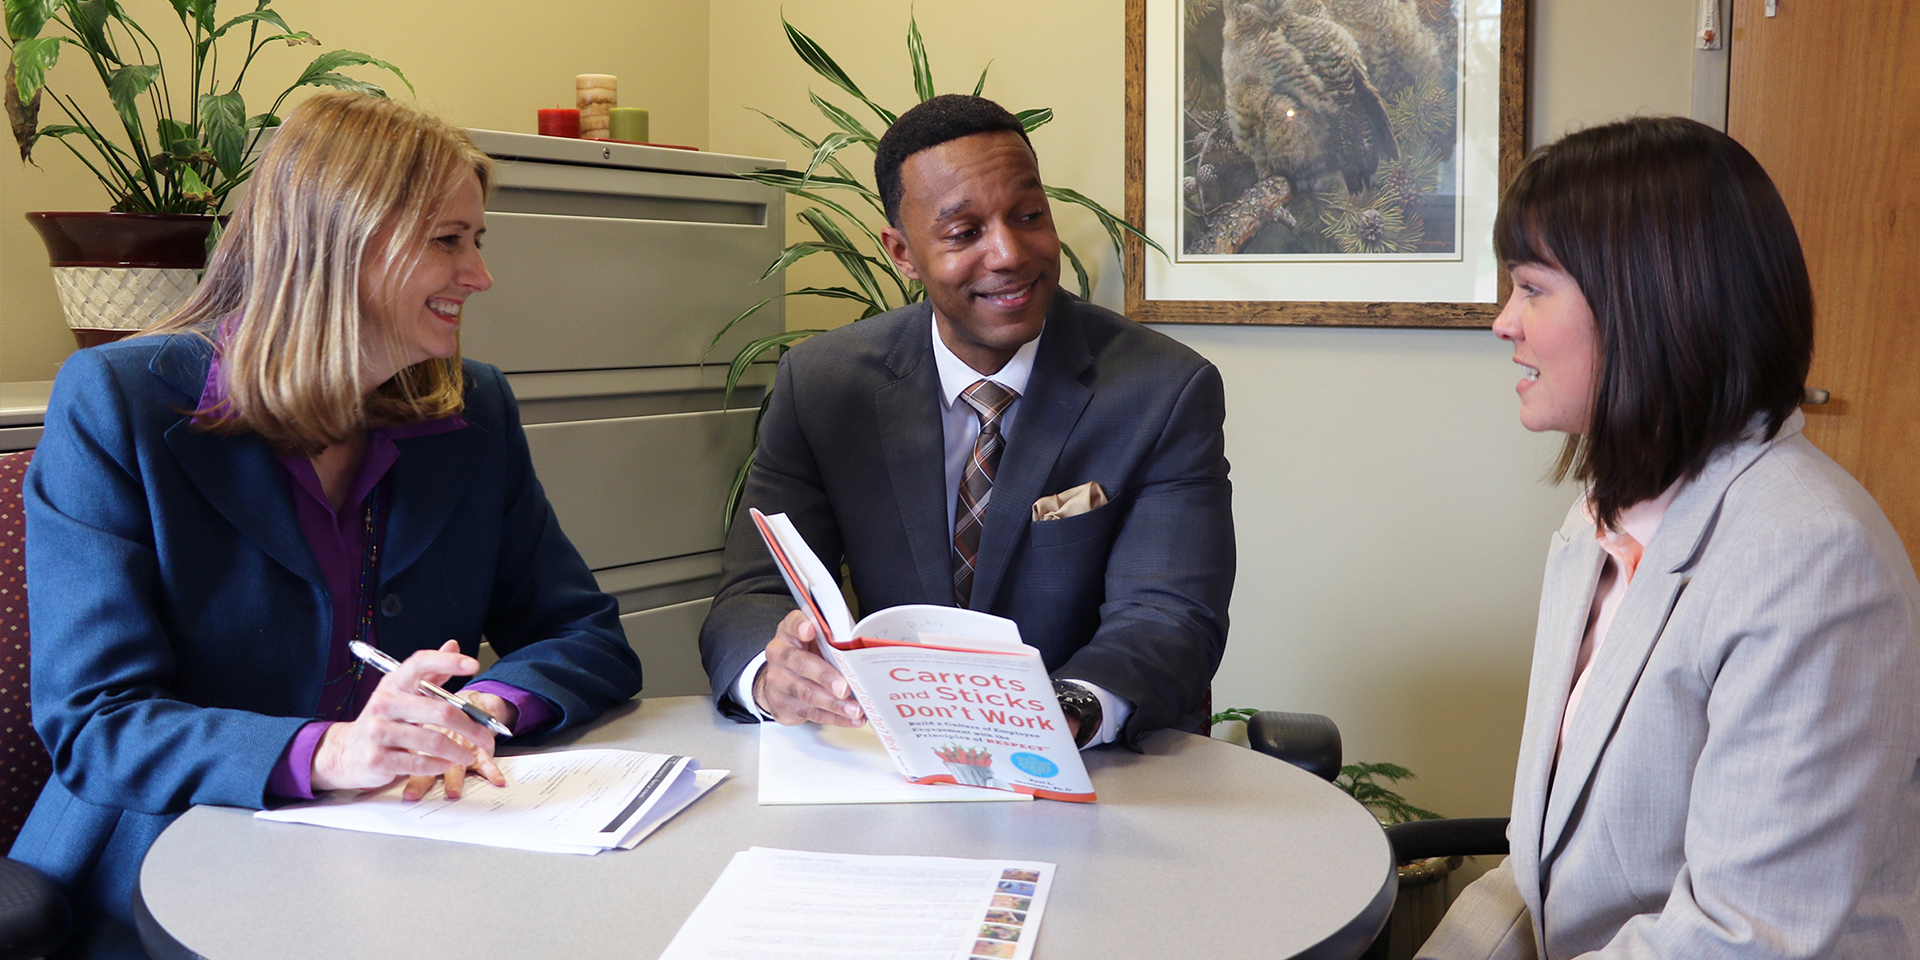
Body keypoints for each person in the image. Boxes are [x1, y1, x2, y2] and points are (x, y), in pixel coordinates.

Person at [17, 91, 643, 959]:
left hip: (406, 855)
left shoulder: (474, 411)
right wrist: (334, 753)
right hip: (161, 866)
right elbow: (98, 724)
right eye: (447, 240)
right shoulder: (117, 404)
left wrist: (472, 709)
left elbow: (584, 634)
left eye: (478, 239)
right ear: (341, 242)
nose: (480, 275)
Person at [1418, 116, 1920, 959]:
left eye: (1532, 288)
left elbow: (1740, 938)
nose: (1504, 323)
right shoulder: (1600, 521)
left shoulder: (1811, 564)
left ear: (1649, 302)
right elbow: (1553, 858)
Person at [698, 95, 1234, 748]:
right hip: (891, 764)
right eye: (964, 232)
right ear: (901, 252)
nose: (1009, 253)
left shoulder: (1163, 390)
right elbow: (752, 592)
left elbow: (1167, 614)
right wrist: (772, 675)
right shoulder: (822, 384)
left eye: (1029, 216)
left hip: (1095, 764)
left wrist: (1064, 710)